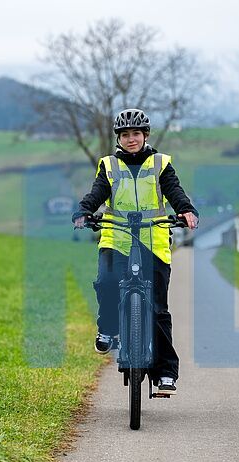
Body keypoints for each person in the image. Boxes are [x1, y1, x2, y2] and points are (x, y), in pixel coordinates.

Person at [72, 109, 198, 395]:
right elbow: (97, 193)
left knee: (157, 308)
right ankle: (108, 329)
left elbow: (174, 191)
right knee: (106, 282)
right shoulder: (109, 166)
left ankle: (165, 373)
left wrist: (186, 210)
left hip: (153, 241)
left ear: (145, 135)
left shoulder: (160, 164)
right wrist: (84, 211)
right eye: (126, 134)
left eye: (136, 134)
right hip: (117, 239)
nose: (131, 139)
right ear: (119, 138)